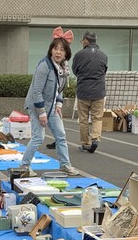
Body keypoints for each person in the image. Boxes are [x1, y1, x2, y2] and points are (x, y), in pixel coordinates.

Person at [21, 37, 77, 175]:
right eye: (55, 48)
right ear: (51, 50)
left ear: (66, 53)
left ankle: (65, 165)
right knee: (38, 137)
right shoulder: (44, 65)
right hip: (36, 106)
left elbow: (59, 88)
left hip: (52, 107)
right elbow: (36, 91)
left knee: (61, 135)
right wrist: (41, 113)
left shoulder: (64, 67)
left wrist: (59, 104)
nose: (58, 52)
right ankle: (24, 166)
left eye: (62, 50)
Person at [72, 30, 108, 153]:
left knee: (83, 119)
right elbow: (104, 72)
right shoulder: (103, 55)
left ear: (86, 41)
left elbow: (75, 71)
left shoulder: (79, 55)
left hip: (83, 91)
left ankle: (86, 143)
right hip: (98, 91)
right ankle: (96, 138)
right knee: (97, 118)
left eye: (82, 40)